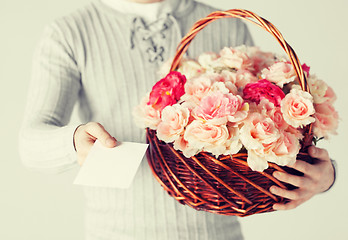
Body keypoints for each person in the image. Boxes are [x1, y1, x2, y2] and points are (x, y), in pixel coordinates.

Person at [19, 0, 336, 239]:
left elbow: (263, 133)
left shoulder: (223, 25)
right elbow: (30, 143)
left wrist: (324, 176)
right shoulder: (70, 32)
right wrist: (74, 142)